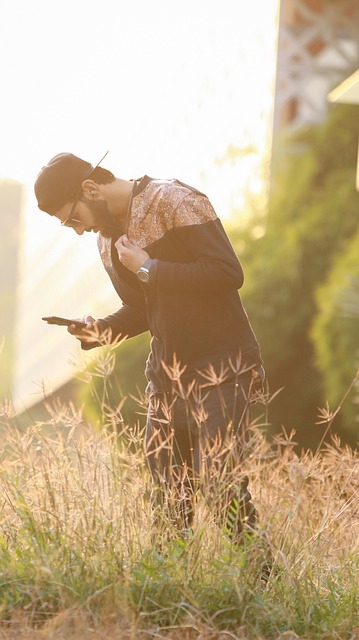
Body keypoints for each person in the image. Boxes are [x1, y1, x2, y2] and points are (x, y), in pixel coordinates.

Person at [34, 151, 265, 544]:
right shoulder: (107, 241)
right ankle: (172, 598)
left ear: (90, 189)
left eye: (73, 218)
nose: (77, 231)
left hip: (224, 369)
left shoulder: (174, 199)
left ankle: (265, 585)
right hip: (166, 382)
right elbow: (145, 308)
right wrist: (101, 332)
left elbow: (228, 271)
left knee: (220, 487)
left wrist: (147, 266)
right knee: (168, 503)